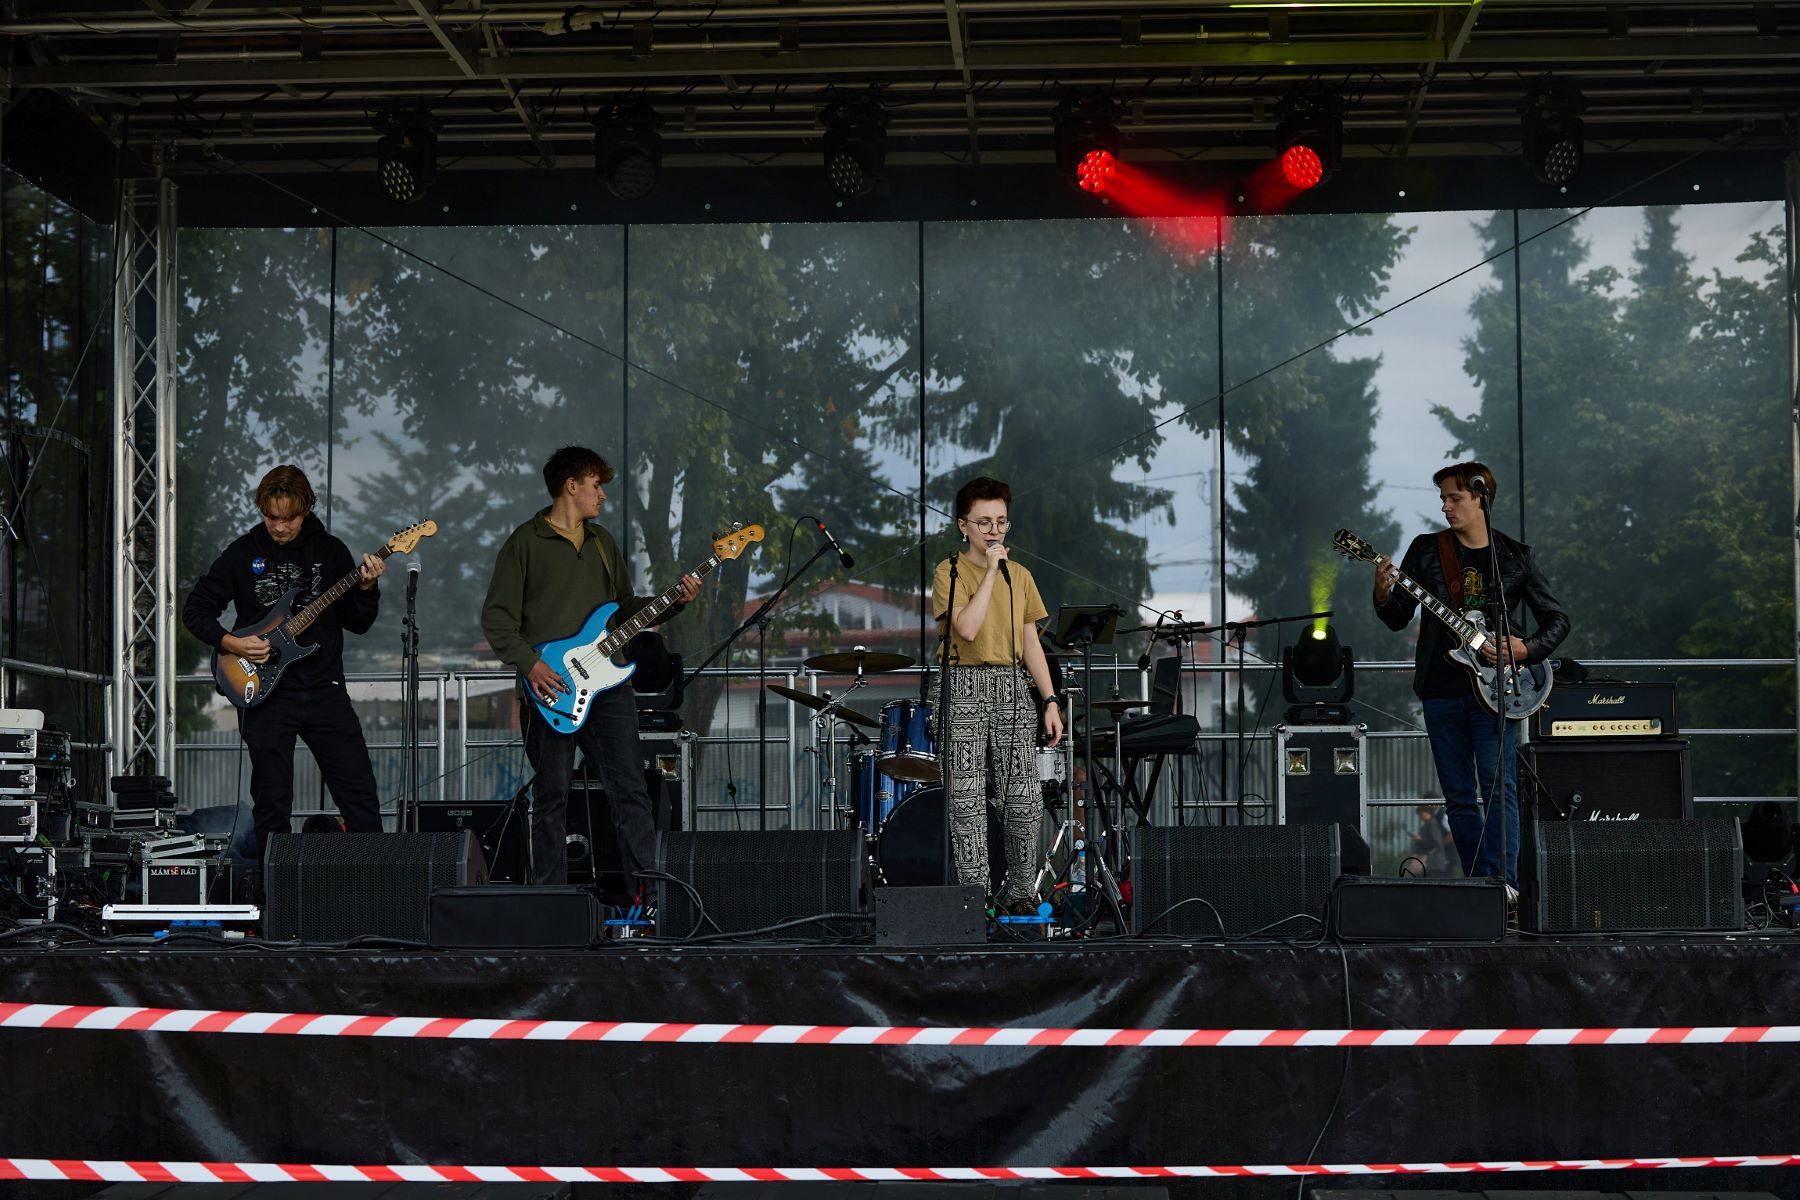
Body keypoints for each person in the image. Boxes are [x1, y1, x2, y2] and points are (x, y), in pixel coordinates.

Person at [481, 446, 701, 893]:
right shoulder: (524, 543)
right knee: (551, 799)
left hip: (608, 688)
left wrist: (673, 601)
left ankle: (648, 900)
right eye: (596, 485)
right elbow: (497, 619)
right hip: (549, 689)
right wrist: (531, 664)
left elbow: (624, 609)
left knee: (631, 792)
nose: (602, 495)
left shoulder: (602, 542)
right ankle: (551, 902)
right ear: (571, 485)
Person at [1372, 461, 1569, 889]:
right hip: (1440, 689)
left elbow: (1557, 620)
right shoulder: (1427, 550)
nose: (1445, 506)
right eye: (1442, 498)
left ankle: (1505, 886)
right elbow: (1397, 617)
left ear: (1481, 499)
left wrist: (1525, 649)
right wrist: (1384, 592)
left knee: (1499, 788)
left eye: (1455, 498)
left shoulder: (1514, 556)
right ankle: (1481, 887)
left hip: (1497, 690)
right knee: (1459, 797)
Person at [182, 464, 386, 859]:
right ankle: (272, 890)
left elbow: (359, 622)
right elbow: (196, 610)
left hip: (325, 689)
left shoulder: (331, 552)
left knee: (358, 793)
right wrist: (234, 644)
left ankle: (372, 883)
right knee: (272, 803)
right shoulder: (243, 552)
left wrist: (367, 587)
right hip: (265, 693)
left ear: (305, 509)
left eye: (288, 518)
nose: (278, 526)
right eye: (271, 517)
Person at [932, 476, 1064, 914]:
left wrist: (1049, 700)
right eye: (984, 522)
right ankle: (976, 902)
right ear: (963, 525)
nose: (994, 531)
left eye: (1002, 521)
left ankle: (1021, 895)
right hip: (961, 685)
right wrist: (990, 571)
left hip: (1011, 685)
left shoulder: (1020, 575)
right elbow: (967, 628)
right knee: (966, 802)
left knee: (1024, 800)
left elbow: (1030, 643)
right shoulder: (949, 572)